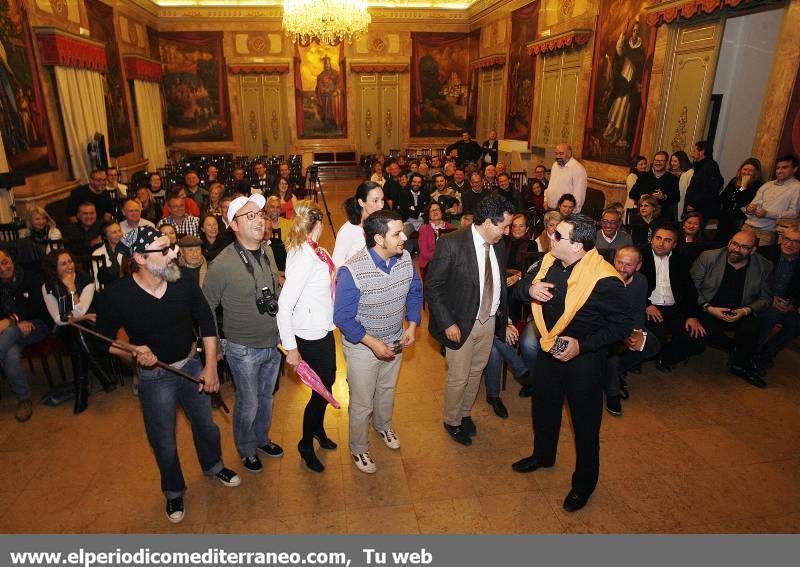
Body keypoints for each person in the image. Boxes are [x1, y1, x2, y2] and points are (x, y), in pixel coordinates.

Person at [96, 226, 241, 524]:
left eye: (170, 247)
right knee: (163, 440)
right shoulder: (117, 294)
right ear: (139, 258)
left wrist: (211, 366)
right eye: (164, 251)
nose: (173, 253)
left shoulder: (184, 283)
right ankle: (173, 489)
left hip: (190, 365)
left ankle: (213, 465)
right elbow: (105, 341)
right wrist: (133, 351)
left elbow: (207, 322)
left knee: (206, 426)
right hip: (154, 378)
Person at [511, 214, 630, 513]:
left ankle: (584, 483)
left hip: (585, 362)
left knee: (585, 425)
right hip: (550, 350)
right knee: (544, 407)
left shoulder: (605, 279)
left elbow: (623, 327)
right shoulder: (550, 261)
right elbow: (520, 287)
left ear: (578, 245)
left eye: (559, 235)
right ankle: (543, 455)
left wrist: (582, 345)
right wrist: (529, 290)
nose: (551, 236)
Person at [333, 210, 422, 473]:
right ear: (379, 239)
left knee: (387, 390)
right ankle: (358, 448)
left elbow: (415, 291)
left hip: (395, 339)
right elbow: (343, 318)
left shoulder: (404, 258)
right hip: (363, 347)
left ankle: (383, 427)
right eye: (396, 233)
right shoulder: (352, 270)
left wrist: (413, 324)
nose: (403, 237)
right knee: (362, 402)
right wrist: (373, 344)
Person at [203, 194, 285, 474]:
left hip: (272, 344)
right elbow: (205, 309)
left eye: (259, 214)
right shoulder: (222, 264)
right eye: (249, 216)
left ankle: (261, 439)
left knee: (266, 398)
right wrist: (216, 347)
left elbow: (274, 290)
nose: (258, 220)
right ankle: (246, 448)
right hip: (242, 349)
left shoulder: (268, 251)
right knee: (248, 403)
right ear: (233, 225)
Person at [426, 196, 514, 446]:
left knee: (476, 372)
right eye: (504, 226)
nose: (507, 232)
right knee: (459, 376)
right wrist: (446, 323)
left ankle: (465, 413)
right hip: (460, 324)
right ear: (487, 222)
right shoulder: (451, 243)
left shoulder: (496, 244)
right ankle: (452, 421)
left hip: (487, 321)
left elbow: (497, 283)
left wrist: (503, 319)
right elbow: (433, 287)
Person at [277, 201, 338, 473]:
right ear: (317, 224)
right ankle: (304, 444)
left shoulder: (317, 250)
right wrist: (290, 348)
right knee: (320, 390)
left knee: (328, 382)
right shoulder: (303, 255)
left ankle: (318, 431)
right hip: (309, 333)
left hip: (323, 327)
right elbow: (284, 306)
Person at [691, 230, 773, 388]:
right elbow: (691, 288)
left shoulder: (764, 266)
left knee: (752, 330)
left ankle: (739, 366)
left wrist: (745, 311)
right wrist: (708, 307)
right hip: (709, 306)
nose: (736, 249)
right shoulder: (709, 257)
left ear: (753, 250)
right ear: (729, 243)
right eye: (734, 244)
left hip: (741, 310)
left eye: (744, 247)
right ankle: (733, 347)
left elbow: (766, 298)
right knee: (702, 331)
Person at [42, 249, 115, 414]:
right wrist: (81, 316)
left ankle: (81, 395)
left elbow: (79, 312)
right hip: (64, 331)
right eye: (63, 263)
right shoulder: (47, 287)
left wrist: (72, 289)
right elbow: (58, 320)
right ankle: (102, 374)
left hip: (90, 327)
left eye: (70, 261)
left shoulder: (86, 280)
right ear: (54, 268)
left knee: (77, 334)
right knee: (76, 333)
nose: (69, 266)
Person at [603, 246, 660, 416]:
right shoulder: (604, 280)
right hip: (606, 327)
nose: (622, 268)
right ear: (613, 261)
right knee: (611, 350)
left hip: (627, 326)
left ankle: (617, 371)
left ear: (638, 266)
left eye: (628, 265)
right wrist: (623, 334)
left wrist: (636, 332)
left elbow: (638, 311)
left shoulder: (641, 281)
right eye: (619, 262)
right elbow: (601, 315)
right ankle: (612, 393)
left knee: (651, 344)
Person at [640, 225, 705, 372]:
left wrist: (692, 316)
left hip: (674, 308)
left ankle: (666, 357)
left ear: (674, 244)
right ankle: (654, 353)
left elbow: (689, 291)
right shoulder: (640, 256)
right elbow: (629, 285)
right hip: (649, 307)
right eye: (658, 238)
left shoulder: (680, 261)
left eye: (667, 240)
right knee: (658, 337)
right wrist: (646, 305)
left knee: (698, 340)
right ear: (652, 239)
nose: (661, 243)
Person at [0, 249, 51, 422]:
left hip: (37, 324)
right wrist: (13, 321)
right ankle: (23, 399)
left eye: (4, 261)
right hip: (11, 333)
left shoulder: (31, 277)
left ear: (10, 259)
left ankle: (23, 398)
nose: (3, 268)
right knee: (10, 353)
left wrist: (12, 320)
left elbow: (37, 306)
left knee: (9, 331)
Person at [757, 227, 800, 371]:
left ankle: (767, 352)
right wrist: (770, 298)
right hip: (761, 298)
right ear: (782, 238)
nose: (789, 244)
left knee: (796, 323)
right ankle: (752, 354)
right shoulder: (765, 253)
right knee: (771, 315)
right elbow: (752, 281)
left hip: (786, 305)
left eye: (796, 241)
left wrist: (794, 305)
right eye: (787, 239)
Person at [743, 155, 800, 246]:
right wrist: (749, 208)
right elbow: (752, 204)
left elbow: (793, 213)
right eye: (777, 168)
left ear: (794, 169)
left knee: (761, 259)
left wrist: (768, 214)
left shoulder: (797, 187)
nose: (779, 171)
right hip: (747, 226)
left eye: (784, 168)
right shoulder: (767, 185)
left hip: (766, 232)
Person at [331, 181, 384, 266]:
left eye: (382, 200)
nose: (381, 205)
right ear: (361, 202)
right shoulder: (348, 231)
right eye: (375, 200)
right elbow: (336, 265)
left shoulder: (381, 224)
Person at [717, 158, 763, 242]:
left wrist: (743, 187)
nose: (746, 172)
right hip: (725, 218)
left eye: (750, 171)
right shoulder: (734, 181)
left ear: (756, 173)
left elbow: (742, 202)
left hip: (740, 221)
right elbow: (723, 197)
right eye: (745, 169)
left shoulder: (757, 186)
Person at [630, 151, 680, 221]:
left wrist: (664, 197)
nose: (658, 163)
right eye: (656, 160)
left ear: (666, 162)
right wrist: (642, 196)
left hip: (663, 217)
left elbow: (676, 198)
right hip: (643, 218)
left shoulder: (672, 178)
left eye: (661, 161)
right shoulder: (643, 176)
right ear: (653, 161)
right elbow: (632, 193)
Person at [683, 140, 724, 221]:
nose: (692, 154)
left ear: (702, 152)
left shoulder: (710, 166)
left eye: (694, 151)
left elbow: (710, 189)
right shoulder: (702, 165)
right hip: (696, 208)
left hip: (700, 210)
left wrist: (694, 204)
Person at [544, 143, 587, 213]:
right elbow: (550, 186)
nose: (558, 156)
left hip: (565, 213)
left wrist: (570, 216)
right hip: (550, 210)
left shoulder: (578, 169)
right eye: (556, 153)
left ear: (569, 154)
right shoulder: (555, 165)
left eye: (561, 153)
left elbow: (579, 197)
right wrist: (546, 200)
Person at [61, 202, 104, 269]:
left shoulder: (102, 226)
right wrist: (91, 243)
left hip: (102, 265)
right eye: (85, 214)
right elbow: (72, 249)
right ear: (78, 215)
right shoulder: (69, 230)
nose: (89, 216)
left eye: (92, 213)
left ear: (96, 214)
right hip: (80, 267)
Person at [417, 201, 454, 278]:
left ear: (442, 212)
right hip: (430, 262)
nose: (434, 212)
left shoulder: (450, 227)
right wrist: (442, 258)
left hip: (449, 261)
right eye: (431, 211)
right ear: (429, 215)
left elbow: (455, 248)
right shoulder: (424, 229)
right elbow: (424, 253)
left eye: (437, 209)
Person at [90, 221, 124, 289]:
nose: (119, 234)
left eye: (119, 231)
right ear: (105, 236)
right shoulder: (98, 253)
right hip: (106, 291)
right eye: (114, 232)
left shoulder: (129, 250)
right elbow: (96, 280)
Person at [315, 56, 343, 130]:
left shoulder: (336, 73)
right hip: (325, 97)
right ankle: (327, 125)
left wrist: (333, 90)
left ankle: (335, 125)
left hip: (333, 97)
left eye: (328, 63)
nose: (326, 65)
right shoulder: (321, 75)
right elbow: (319, 87)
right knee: (326, 111)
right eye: (325, 63)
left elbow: (338, 84)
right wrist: (323, 90)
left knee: (333, 111)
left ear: (330, 63)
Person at [670, 150, 693, 217]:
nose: (672, 163)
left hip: (681, 205)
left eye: (675, 161)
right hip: (673, 205)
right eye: (671, 161)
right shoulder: (672, 174)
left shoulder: (689, 173)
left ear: (682, 161)